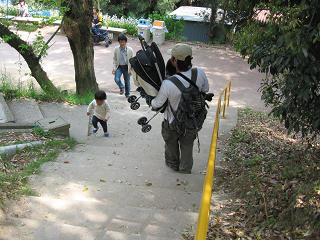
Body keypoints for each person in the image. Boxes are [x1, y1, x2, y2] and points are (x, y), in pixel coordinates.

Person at [151, 44, 209, 174]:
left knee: (171, 143)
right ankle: (185, 169)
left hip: (172, 122)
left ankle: (173, 164)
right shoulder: (200, 72)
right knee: (187, 145)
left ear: (175, 61)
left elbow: (156, 104)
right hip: (193, 120)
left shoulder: (168, 83)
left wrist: (151, 100)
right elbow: (205, 90)